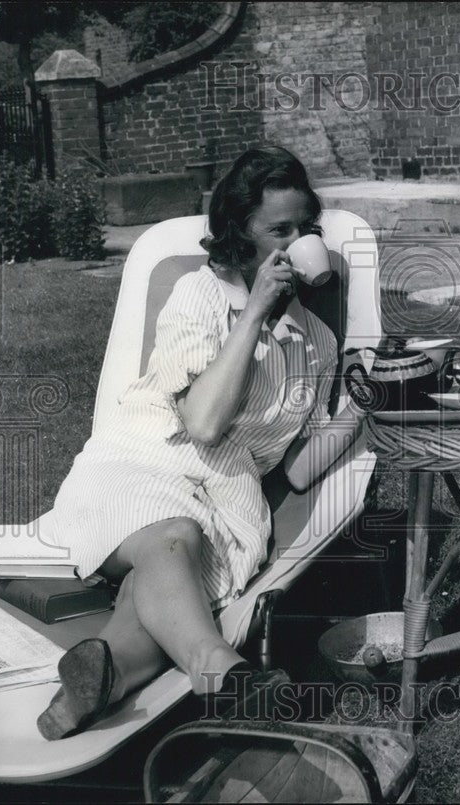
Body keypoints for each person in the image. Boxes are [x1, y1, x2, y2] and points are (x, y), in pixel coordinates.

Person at [36, 146, 362, 740]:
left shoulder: (316, 340)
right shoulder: (199, 295)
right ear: (241, 233)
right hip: (142, 460)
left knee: (161, 586)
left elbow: (295, 469)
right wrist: (255, 310)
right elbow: (204, 424)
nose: (296, 243)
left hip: (227, 500)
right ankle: (224, 673)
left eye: (307, 228)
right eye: (279, 230)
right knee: (173, 535)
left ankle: (96, 681)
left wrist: (366, 404)